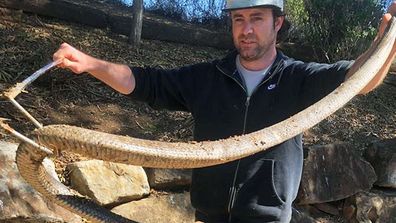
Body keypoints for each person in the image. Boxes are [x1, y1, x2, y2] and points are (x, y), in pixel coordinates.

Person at [53, 1, 396, 222]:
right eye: (239, 19)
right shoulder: (206, 78)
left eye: (256, 19)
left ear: (278, 23)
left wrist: (385, 43)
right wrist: (91, 63)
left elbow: (358, 80)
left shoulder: (298, 78)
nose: (246, 29)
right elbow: (145, 83)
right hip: (208, 216)